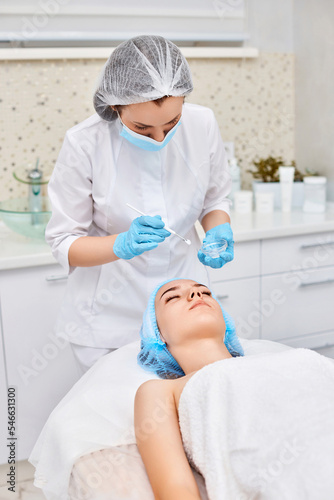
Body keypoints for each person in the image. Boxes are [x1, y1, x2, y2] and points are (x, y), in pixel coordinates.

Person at [45, 35, 234, 373]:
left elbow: (215, 198)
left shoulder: (202, 124)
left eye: (172, 123)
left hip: (182, 318)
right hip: (107, 321)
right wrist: (119, 244)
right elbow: (64, 242)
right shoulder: (85, 143)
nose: (160, 139)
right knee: (119, 417)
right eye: (143, 128)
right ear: (115, 106)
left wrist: (218, 228)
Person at [134, 278, 334, 500]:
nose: (196, 295)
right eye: (172, 297)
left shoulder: (297, 357)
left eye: (205, 293)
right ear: (157, 334)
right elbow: (176, 488)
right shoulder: (162, 391)